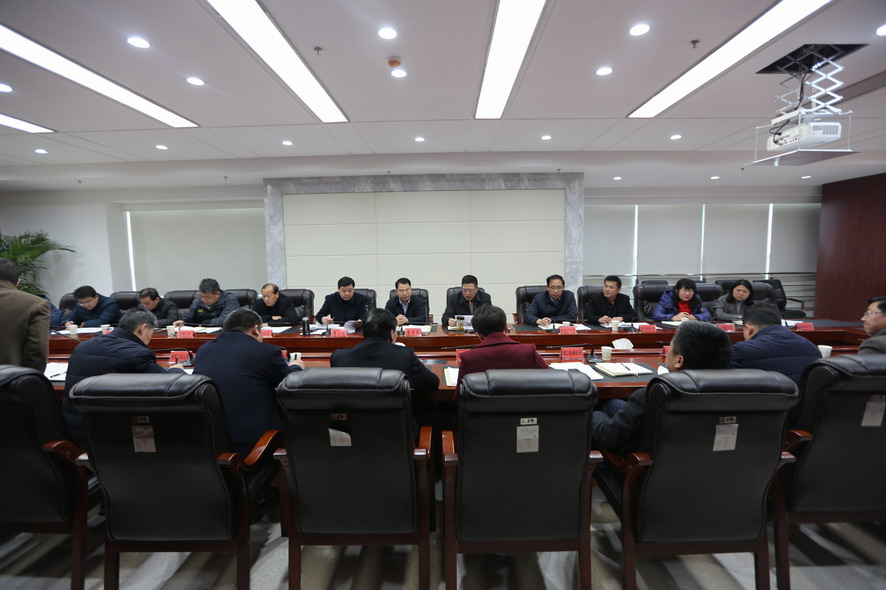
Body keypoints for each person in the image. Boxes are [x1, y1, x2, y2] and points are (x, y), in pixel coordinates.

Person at [592, 322, 732, 454]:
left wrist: (593, 414)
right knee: (613, 404)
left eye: (670, 347)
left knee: (598, 411)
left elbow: (608, 438)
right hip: (710, 464)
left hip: (641, 466)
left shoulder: (654, 395)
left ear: (679, 361)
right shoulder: (735, 394)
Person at [62, 310, 184, 449]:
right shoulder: (137, 354)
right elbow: (173, 385)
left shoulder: (82, 347)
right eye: (152, 332)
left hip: (76, 430)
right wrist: (177, 369)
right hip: (115, 439)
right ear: (143, 328)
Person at [193, 308, 304, 456]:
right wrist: (296, 366)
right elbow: (291, 385)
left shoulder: (203, 350)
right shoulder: (266, 351)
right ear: (255, 329)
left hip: (210, 441)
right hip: (257, 443)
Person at [330, 308, 439, 397]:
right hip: (395, 417)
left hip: (353, 417)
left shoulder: (339, 357)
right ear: (391, 333)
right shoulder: (404, 355)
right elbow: (432, 383)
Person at [457, 304, 548, 384]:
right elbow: (552, 379)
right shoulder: (528, 352)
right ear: (506, 327)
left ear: (479, 335)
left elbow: (460, 395)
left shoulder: (469, 357)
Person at [731, 305, 820, 385]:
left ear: (749, 329)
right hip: (804, 398)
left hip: (765, 398)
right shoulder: (811, 347)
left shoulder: (742, 350)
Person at [0, 257, 50, 371]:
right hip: (10, 378)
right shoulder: (34, 304)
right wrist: (31, 377)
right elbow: (37, 350)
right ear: (18, 282)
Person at [175, 278, 240, 327]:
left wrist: (204, 323)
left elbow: (226, 320)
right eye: (201, 296)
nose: (204, 299)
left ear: (218, 294)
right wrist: (183, 321)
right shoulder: (198, 301)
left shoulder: (229, 299)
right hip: (202, 333)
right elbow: (189, 317)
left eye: (208, 297)